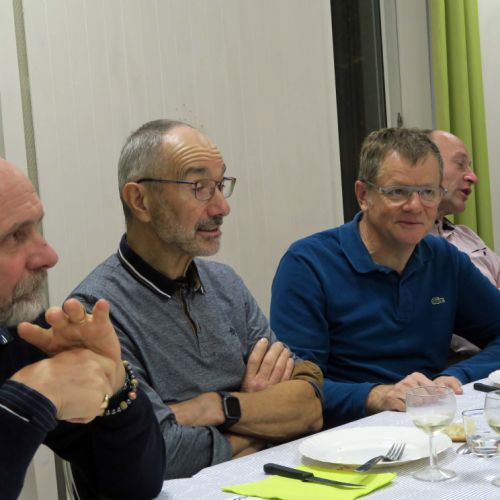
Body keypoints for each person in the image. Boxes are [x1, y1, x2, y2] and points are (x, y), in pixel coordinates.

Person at [69, 119, 323, 479]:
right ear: (140, 200)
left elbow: (308, 408)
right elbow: (157, 452)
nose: (221, 207)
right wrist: (260, 427)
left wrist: (214, 406)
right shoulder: (96, 312)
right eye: (199, 187)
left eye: (220, 185)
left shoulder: (225, 284)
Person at [270, 127, 500, 429]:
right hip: (343, 436)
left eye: (428, 192)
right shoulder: (308, 264)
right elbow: (294, 389)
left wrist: (455, 376)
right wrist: (375, 395)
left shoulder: (444, 259)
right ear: (363, 196)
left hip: (427, 423)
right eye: (397, 192)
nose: (415, 206)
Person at [0, 158, 165, 499]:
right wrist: (25, 401)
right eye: (15, 236)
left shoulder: (18, 332)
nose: (49, 256)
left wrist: (114, 386)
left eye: (36, 229)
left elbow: (133, 487)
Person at [429, 130, 500, 356]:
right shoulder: (410, 247)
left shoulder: (465, 235)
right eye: (461, 165)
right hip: (463, 363)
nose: (473, 177)